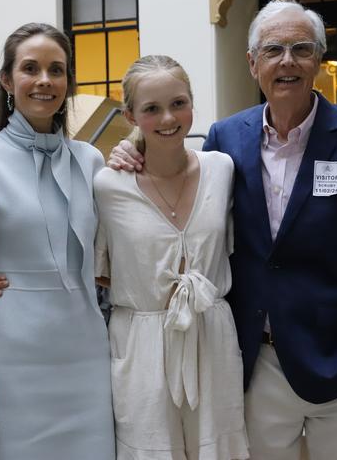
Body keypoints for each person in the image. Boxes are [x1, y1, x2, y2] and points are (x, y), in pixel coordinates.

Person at [109, 0, 337, 460]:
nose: (287, 61)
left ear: (318, 62)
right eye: (273, 50)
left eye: (301, 49)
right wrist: (130, 149)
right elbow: (178, 175)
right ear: (252, 63)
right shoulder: (225, 140)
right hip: (258, 364)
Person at [0, 23, 115, 460]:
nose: (45, 80)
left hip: (85, 348)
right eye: (30, 68)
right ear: (7, 80)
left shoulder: (92, 158)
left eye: (56, 70)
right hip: (13, 351)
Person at [94, 55, 249, 460]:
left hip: (211, 336)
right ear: (130, 115)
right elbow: (100, 272)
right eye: (151, 108)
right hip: (141, 342)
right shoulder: (108, 186)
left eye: (179, 103)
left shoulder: (222, 169)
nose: (168, 117)